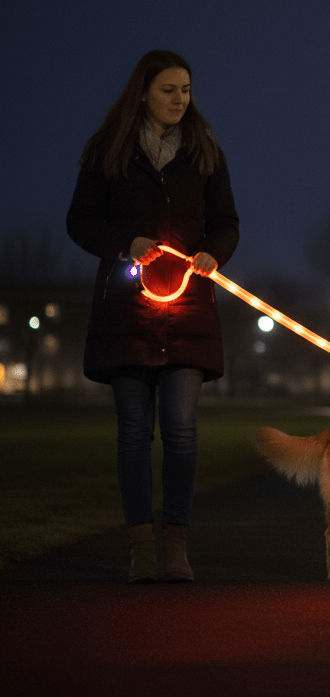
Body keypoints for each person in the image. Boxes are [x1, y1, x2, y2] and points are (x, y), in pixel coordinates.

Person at [67, 49, 239, 583]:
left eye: (185, 90)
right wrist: (126, 243)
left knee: (182, 431)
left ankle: (177, 546)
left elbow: (228, 221)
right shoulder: (107, 151)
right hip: (126, 313)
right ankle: (142, 548)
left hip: (187, 309)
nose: (179, 99)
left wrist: (214, 252)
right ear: (143, 92)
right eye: (168, 90)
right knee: (133, 433)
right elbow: (79, 221)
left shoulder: (206, 152)